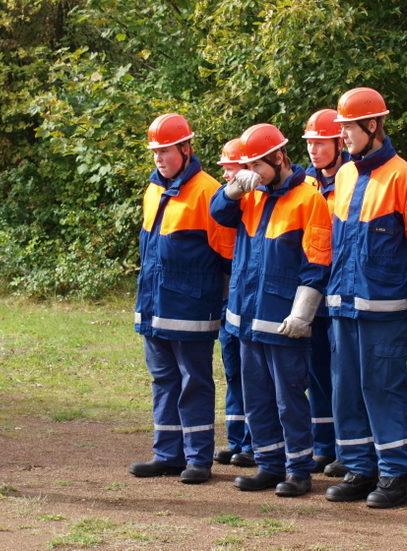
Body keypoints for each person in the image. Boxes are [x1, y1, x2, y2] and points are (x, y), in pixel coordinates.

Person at [324, 87, 407, 509]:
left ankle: (394, 474)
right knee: (346, 390)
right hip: (344, 304)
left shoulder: (403, 176)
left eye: (348, 128)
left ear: (372, 126)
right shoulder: (345, 175)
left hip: (384, 309)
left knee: (384, 388)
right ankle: (359, 468)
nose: (343, 136)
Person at [210, 123, 331, 497]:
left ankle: (298, 470)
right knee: (257, 399)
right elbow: (218, 213)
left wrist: (303, 313)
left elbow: (317, 261)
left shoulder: (309, 199)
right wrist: (233, 189)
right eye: (246, 167)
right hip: (246, 317)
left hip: (282, 322)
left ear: (279, 157)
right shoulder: (252, 194)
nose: (252, 174)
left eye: (257, 166)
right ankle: (268, 464)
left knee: (289, 399)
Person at [130, 113, 235, 484]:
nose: (159, 158)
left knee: (194, 383)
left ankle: (198, 458)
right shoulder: (153, 189)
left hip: (191, 309)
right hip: (154, 306)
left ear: (186, 149)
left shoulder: (208, 191)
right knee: (163, 380)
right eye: (155, 151)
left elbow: (228, 256)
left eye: (166, 150)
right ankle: (168, 455)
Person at [301, 109, 350, 478]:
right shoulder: (305, 185)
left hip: (343, 294)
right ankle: (323, 446)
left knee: (343, 377)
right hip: (312, 294)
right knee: (316, 375)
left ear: (339, 143)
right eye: (310, 144)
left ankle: (349, 448)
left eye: (321, 143)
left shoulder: (352, 180)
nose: (314, 150)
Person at [213, 138, 255, 469]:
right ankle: (238, 439)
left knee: (254, 374)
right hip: (231, 296)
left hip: (250, 296)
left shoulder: (259, 199)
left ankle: (256, 442)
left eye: (231, 169)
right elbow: (218, 210)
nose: (226, 175)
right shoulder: (229, 196)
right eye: (225, 169)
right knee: (233, 372)